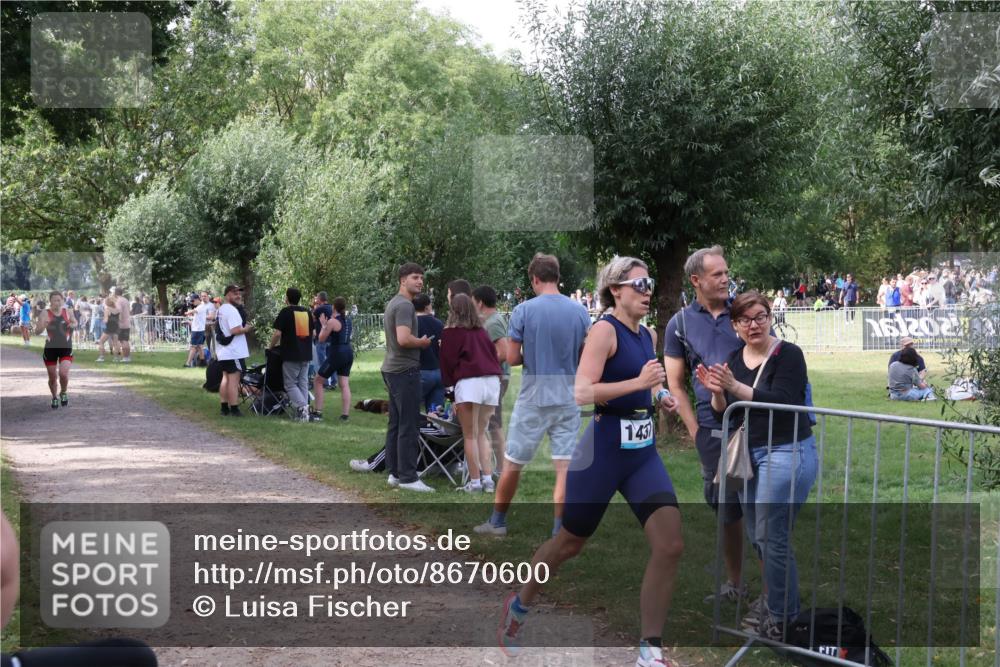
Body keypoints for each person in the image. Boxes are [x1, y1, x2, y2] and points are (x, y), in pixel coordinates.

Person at [498, 257, 682, 667]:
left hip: (642, 455)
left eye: (650, 282)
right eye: (640, 283)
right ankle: (520, 604)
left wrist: (657, 396)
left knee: (670, 545)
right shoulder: (603, 331)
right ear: (616, 289)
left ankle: (649, 651)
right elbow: (581, 392)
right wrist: (639, 384)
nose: (648, 289)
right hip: (601, 453)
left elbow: (645, 383)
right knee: (569, 543)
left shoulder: (647, 334)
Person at [696, 290, 817, 641]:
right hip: (751, 456)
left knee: (770, 535)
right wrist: (717, 391)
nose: (754, 324)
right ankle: (780, 608)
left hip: (787, 451)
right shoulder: (735, 359)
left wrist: (733, 385)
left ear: (770, 317)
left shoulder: (788, 354)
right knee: (760, 536)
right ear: (735, 325)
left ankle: (782, 616)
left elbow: (783, 400)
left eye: (761, 316)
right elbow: (724, 411)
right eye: (745, 319)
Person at [474, 253, 590, 537]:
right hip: (568, 395)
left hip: (533, 396)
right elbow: (584, 356)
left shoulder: (524, 310)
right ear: (558, 276)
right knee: (564, 467)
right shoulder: (580, 312)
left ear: (535, 279)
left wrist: (533, 351)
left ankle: (498, 521)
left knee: (514, 462)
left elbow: (511, 358)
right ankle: (558, 531)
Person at [663, 245, 747, 603]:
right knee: (726, 507)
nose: (726, 278)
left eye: (727, 272)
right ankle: (736, 584)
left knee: (762, 504)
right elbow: (676, 384)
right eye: (717, 274)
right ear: (696, 280)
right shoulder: (679, 323)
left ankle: (776, 589)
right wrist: (694, 431)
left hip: (754, 421)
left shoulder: (744, 312)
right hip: (712, 429)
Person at [440, 294, 503, 493]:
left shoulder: (451, 333)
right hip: (491, 381)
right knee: (482, 433)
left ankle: (475, 482)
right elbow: (493, 356)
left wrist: (450, 395)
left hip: (469, 383)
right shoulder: (482, 332)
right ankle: (488, 480)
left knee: (469, 435)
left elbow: (447, 365)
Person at [381, 263, 435, 493]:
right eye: (415, 277)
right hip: (404, 370)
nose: (420, 281)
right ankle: (409, 477)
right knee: (409, 425)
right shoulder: (404, 306)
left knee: (395, 423)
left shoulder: (395, 302)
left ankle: (394, 473)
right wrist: (422, 343)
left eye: (421, 277)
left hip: (392, 369)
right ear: (403, 280)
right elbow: (403, 339)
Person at [473, 284, 510, 476]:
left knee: (492, 425)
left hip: (496, 377)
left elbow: (503, 352)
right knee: (493, 424)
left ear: (479, 303)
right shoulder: (491, 320)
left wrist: (481, 366)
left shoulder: (493, 322)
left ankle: (501, 468)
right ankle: (499, 468)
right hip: (495, 377)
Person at [269, 287, 314, 421]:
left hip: (291, 353)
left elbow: (277, 333)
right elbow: (313, 333)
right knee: (303, 383)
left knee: (289, 384)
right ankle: (304, 413)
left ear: (287, 298)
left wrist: (270, 347)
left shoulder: (286, 311)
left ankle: (302, 408)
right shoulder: (306, 312)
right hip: (306, 353)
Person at [313, 296, 354, 422]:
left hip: (337, 353)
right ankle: (345, 415)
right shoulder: (348, 321)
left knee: (318, 381)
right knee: (344, 384)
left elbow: (321, 339)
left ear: (333, 307)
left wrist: (323, 326)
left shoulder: (332, 321)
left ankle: (318, 413)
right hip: (348, 352)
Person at [35, 291, 77, 409]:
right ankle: (54, 397)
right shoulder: (45, 313)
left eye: (59, 300)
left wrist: (73, 325)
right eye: (55, 300)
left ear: (63, 301)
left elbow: (75, 322)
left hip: (66, 348)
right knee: (52, 377)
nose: (57, 303)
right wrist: (44, 325)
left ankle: (63, 392)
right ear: (50, 302)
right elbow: (37, 331)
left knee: (63, 374)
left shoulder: (68, 311)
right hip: (51, 349)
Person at [216, 285, 252, 417]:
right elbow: (235, 330)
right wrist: (246, 328)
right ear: (227, 295)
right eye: (234, 293)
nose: (238, 295)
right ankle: (234, 409)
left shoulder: (221, 309)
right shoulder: (231, 310)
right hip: (233, 352)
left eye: (239, 293)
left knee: (225, 378)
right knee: (234, 380)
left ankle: (224, 408)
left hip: (224, 351)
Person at [414, 293, 445, 413]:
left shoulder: (412, 324)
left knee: (410, 409)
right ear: (427, 306)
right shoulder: (439, 324)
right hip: (438, 371)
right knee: (435, 413)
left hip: (421, 371)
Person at [313, 292, 335, 389]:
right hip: (331, 338)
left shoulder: (319, 309)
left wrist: (315, 306)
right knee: (331, 361)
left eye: (316, 298)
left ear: (320, 299)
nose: (315, 299)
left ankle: (325, 382)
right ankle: (334, 382)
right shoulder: (332, 308)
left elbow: (312, 318)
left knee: (322, 362)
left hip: (322, 339)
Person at [185, 294, 209, 368]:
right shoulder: (200, 306)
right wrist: (190, 322)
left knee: (193, 347)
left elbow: (193, 311)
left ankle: (188, 363)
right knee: (199, 346)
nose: (192, 302)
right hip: (198, 329)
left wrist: (187, 312)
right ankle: (203, 362)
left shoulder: (201, 306)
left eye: (193, 300)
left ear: (197, 299)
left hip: (197, 330)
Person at [96, 294, 121, 362]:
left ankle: (101, 357)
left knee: (101, 342)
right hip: (116, 327)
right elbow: (119, 319)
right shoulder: (118, 309)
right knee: (115, 343)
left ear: (107, 302)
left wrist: (103, 320)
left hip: (109, 328)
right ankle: (116, 358)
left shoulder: (107, 309)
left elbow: (106, 320)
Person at [115, 287, 132, 363]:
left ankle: (125, 357)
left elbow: (119, 312)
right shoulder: (126, 300)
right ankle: (127, 357)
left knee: (123, 341)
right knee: (126, 340)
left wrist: (118, 321)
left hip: (121, 324)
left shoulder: (118, 300)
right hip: (127, 323)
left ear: (115, 293)